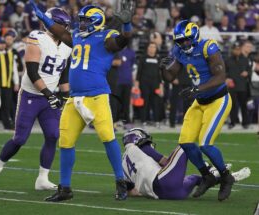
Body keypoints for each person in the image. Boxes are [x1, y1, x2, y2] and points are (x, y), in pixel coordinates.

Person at [31, 1, 133, 201]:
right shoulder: (77, 35)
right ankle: (65, 188)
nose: (82, 24)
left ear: (96, 22)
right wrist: (44, 18)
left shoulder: (106, 37)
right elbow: (60, 33)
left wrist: (127, 25)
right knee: (66, 142)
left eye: (86, 21)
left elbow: (122, 41)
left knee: (107, 138)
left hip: (97, 96)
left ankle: (122, 182)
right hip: (75, 98)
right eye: (82, 20)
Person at [0, 7, 72, 190]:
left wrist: (64, 97)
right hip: (32, 94)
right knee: (20, 138)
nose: (65, 29)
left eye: (66, 26)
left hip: (50, 97)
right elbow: (31, 71)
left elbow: (64, 76)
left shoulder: (66, 46)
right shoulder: (37, 37)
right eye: (62, 25)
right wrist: (49, 95)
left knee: (54, 135)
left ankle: (42, 179)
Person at [160, 20, 234, 201]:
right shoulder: (178, 51)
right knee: (185, 142)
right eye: (181, 41)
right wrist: (162, 68)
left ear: (194, 36)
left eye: (187, 39)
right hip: (199, 101)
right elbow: (171, 77)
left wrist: (196, 89)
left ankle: (226, 176)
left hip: (218, 99)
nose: (184, 43)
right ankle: (207, 175)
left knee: (206, 144)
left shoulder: (208, 47)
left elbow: (220, 76)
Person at [122, 128, 251, 200]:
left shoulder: (123, 164)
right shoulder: (139, 147)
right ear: (137, 138)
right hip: (164, 182)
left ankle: (225, 177)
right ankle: (212, 170)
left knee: (195, 178)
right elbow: (166, 162)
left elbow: (132, 192)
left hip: (166, 195)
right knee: (185, 145)